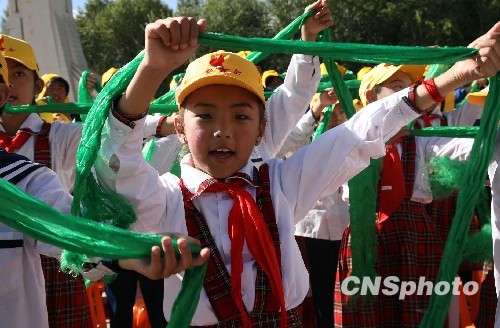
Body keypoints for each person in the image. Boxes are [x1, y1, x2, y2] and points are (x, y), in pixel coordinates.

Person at [89, 15, 500, 327]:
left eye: (240, 116)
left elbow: (360, 134)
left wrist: (454, 77)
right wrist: (152, 70)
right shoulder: (163, 197)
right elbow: (117, 164)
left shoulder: (280, 181)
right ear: (178, 126)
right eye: (204, 115)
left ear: (262, 128)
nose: (223, 131)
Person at [0, 49, 209, 328]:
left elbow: (104, 136)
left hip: (74, 254)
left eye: (20, 74)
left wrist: (129, 250)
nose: (14, 84)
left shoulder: (31, 169)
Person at [334, 21, 500, 326]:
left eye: (409, 89)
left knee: (418, 314)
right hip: (365, 238)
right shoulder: (350, 139)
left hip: (415, 235)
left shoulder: (421, 139)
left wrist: (491, 138)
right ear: (371, 98)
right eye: (397, 88)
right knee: (367, 315)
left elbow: (469, 148)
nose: (410, 96)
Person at [278, 89, 349, 327]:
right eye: (332, 111)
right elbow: (287, 142)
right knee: (312, 291)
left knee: (339, 288)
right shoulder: (304, 141)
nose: (336, 116)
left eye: (340, 111)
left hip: (343, 227)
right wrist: (317, 110)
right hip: (308, 228)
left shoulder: (348, 139)